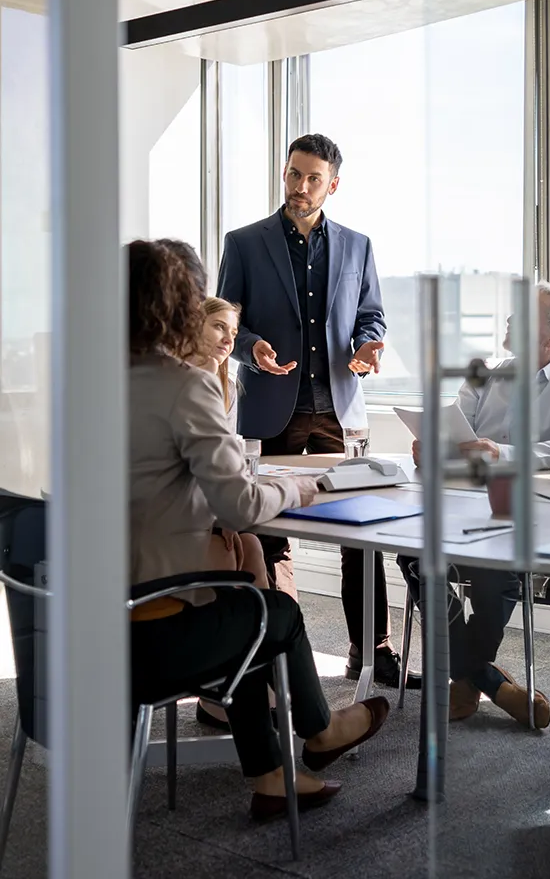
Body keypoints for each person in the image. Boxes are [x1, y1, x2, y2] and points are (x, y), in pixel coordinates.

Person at [128, 240, 390, 821]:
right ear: (178, 304)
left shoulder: (93, 384)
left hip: (86, 626)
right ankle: (320, 733)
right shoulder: (183, 385)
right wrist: (296, 488)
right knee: (278, 612)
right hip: (152, 639)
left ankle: (272, 775)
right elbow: (244, 503)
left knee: (242, 591)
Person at [217, 133, 416, 690]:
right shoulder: (244, 242)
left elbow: (371, 316)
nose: (300, 187)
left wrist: (369, 345)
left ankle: (370, 650)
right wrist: (248, 345)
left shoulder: (358, 245)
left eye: (312, 178)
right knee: (268, 532)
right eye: (293, 174)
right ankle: (283, 651)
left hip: (338, 410)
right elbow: (223, 322)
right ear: (284, 172)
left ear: (333, 184)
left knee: (361, 531)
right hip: (269, 409)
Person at [401, 283, 550, 728]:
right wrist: (432, 444)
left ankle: (467, 679)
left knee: (495, 573)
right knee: (412, 553)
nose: (510, 319)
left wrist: (502, 453)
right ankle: (485, 678)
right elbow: (456, 427)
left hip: (524, 510)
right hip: (463, 498)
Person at [186, 293, 271, 729]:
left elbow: (227, 456)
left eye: (233, 332)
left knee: (252, 546)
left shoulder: (224, 382)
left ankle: (246, 681)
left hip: (210, 504)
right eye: (219, 327)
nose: (227, 339)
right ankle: (226, 688)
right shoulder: (180, 385)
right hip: (180, 521)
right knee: (230, 550)